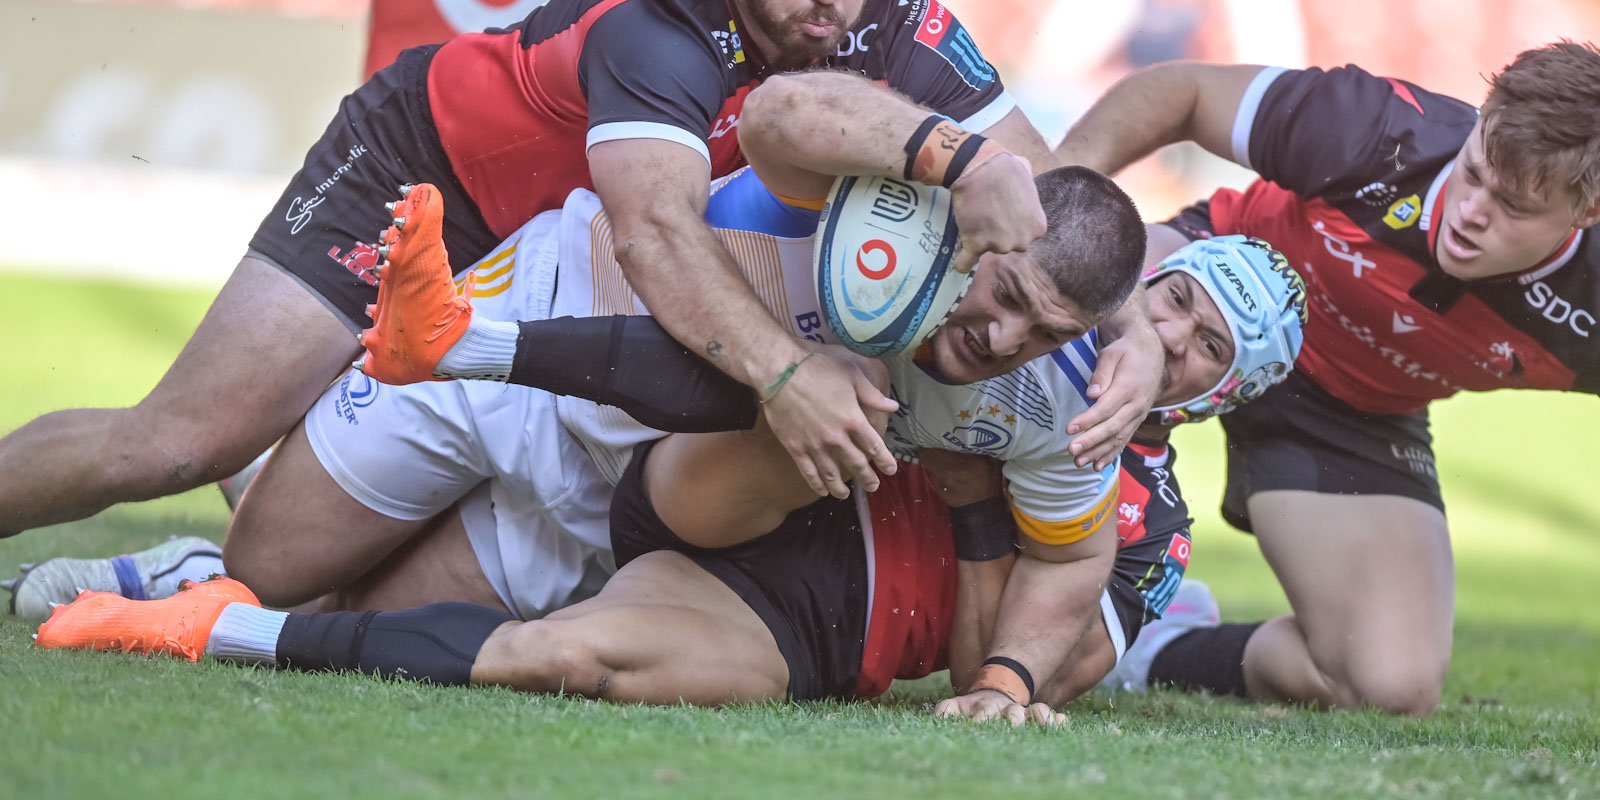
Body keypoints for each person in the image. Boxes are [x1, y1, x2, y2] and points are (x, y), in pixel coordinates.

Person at [0, 1, 1161, 537]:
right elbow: (659, 238)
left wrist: (1140, 330)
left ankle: (288, 454)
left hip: (551, 252)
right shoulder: (658, 28)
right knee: (173, 445)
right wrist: (782, 376)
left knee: (294, 531)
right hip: (427, 180)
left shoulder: (892, 25)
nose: (835, 11)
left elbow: (1055, 202)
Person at [32, 234, 1305, 723]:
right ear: (1153, 279)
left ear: (1219, 394)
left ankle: (212, 618)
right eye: (1179, 308)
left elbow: (998, 666)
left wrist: (987, 493)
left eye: (1209, 352)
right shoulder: (1027, 283)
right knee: (830, 386)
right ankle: (464, 346)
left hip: (804, 619)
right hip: (748, 479)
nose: (1176, 346)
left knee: (544, 656)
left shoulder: (1152, 538)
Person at [1054, 42, 1600, 715]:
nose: (1469, 211)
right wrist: (1055, 197)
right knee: (1058, 315)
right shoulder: (1382, 130)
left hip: (1351, 407)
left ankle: (1159, 647)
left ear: (1587, 212)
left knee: (1388, 685)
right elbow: (1184, 89)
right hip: (1220, 282)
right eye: (1473, 172)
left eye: (1513, 207)